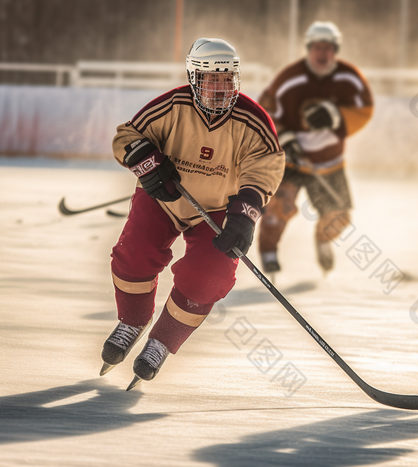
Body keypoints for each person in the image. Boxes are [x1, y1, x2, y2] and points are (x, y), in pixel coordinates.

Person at [99, 38, 284, 388]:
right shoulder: (171, 105)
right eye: (211, 79)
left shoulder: (253, 121)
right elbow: (128, 136)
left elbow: (265, 167)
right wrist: (146, 162)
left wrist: (245, 214)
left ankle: (161, 342)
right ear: (194, 77)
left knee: (210, 277)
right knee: (133, 255)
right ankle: (133, 321)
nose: (220, 88)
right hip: (164, 199)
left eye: (227, 79)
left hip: (214, 211)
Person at [256, 21, 374, 275]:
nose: (323, 53)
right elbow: (264, 112)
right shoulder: (290, 78)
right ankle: (268, 252)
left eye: (329, 48)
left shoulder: (349, 78)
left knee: (338, 217)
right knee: (277, 208)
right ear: (309, 48)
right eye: (318, 47)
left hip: (329, 161)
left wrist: (335, 116)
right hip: (291, 161)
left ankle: (322, 239)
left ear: (336, 50)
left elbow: (364, 109)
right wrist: (285, 138)